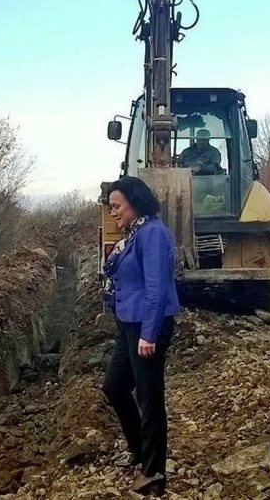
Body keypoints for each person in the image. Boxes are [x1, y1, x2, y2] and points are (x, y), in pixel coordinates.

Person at [101, 176, 179, 495]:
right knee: (115, 386)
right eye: (110, 207)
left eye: (117, 206)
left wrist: (149, 333)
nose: (113, 213)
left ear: (135, 202)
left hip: (148, 326)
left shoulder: (153, 234)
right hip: (128, 323)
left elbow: (156, 288)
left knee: (149, 395)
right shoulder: (134, 233)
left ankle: (153, 471)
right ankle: (138, 449)